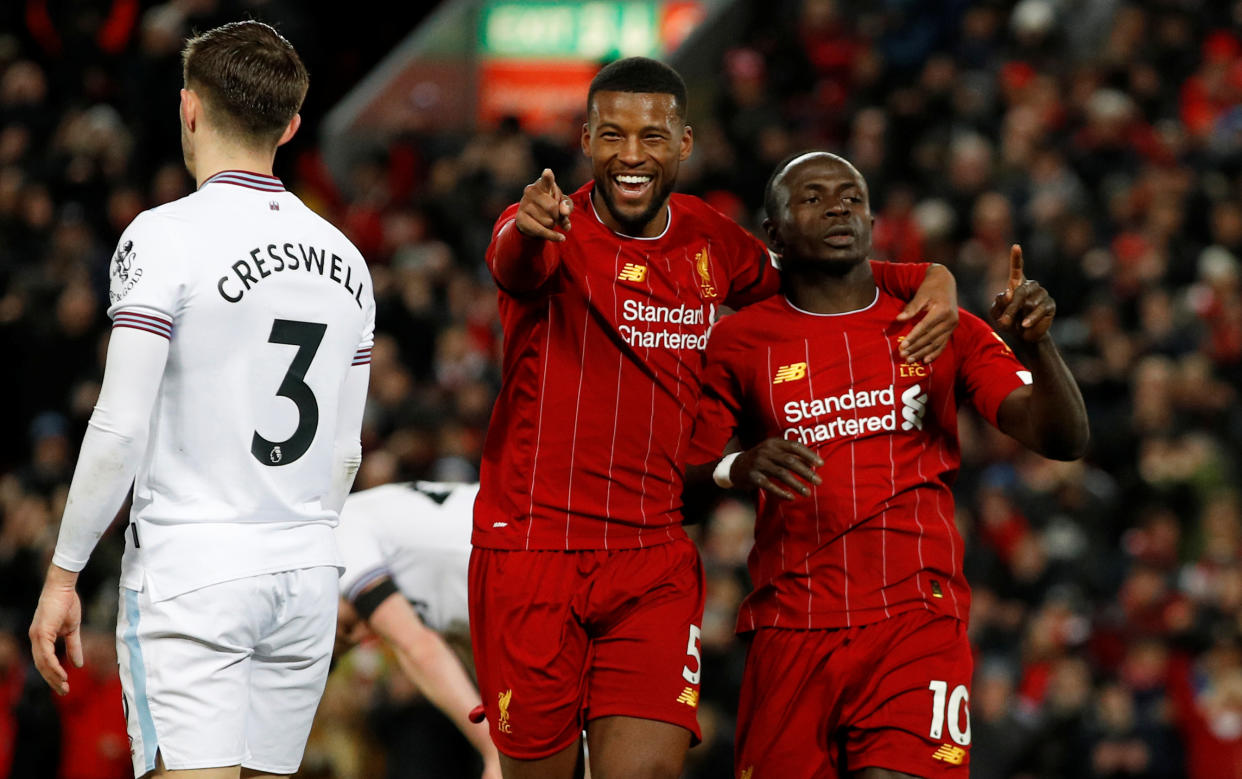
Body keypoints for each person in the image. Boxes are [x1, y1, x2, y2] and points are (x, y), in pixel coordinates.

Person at [470, 56, 961, 779]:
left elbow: (815, 275)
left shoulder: (708, 240)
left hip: (653, 558)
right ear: (585, 140)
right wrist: (528, 226)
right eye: (612, 135)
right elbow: (513, 259)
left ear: (684, 144)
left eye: (651, 136)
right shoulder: (544, 227)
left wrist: (928, 278)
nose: (631, 155)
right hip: (535, 550)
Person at [27, 21, 374, 779]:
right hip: (307, 570)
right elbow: (346, 449)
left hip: (197, 569)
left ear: (188, 109)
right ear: (290, 125)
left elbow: (119, 426)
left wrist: (63, 574)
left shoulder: (164, 237)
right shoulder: (348, 258)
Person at [686, 151, 1089, 778]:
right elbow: (684, 484)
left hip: (915, 618)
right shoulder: (738, 342)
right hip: (791, 627)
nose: (838, 207)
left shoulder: (938, 323)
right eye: (813, 198)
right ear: (774, 233)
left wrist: (1038, 346)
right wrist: (738, 468)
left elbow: (1061, 438)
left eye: (852, 196)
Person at [333, 481, 500, 779]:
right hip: (521, 569)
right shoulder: (432, 603)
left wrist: (493, 749)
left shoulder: (336, 533)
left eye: (345, 628)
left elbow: (417, 647)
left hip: (535, 540)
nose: (361, 634)